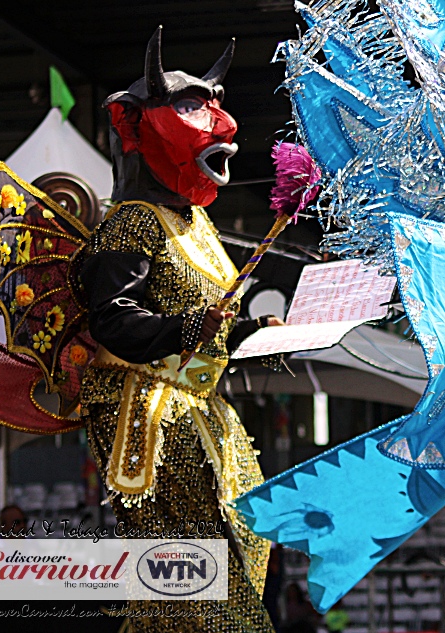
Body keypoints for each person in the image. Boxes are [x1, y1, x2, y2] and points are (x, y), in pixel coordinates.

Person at [78, 27, 292, 632]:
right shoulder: (131, 225)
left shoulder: (196, 224)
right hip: (151, 414)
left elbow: (210, 324)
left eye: (212, 103)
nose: (218, 122)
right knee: (197, 579)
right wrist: (187, 327)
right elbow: (113, 320)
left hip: (204, 411)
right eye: (194, 106)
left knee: (217, 572)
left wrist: (256, 334)